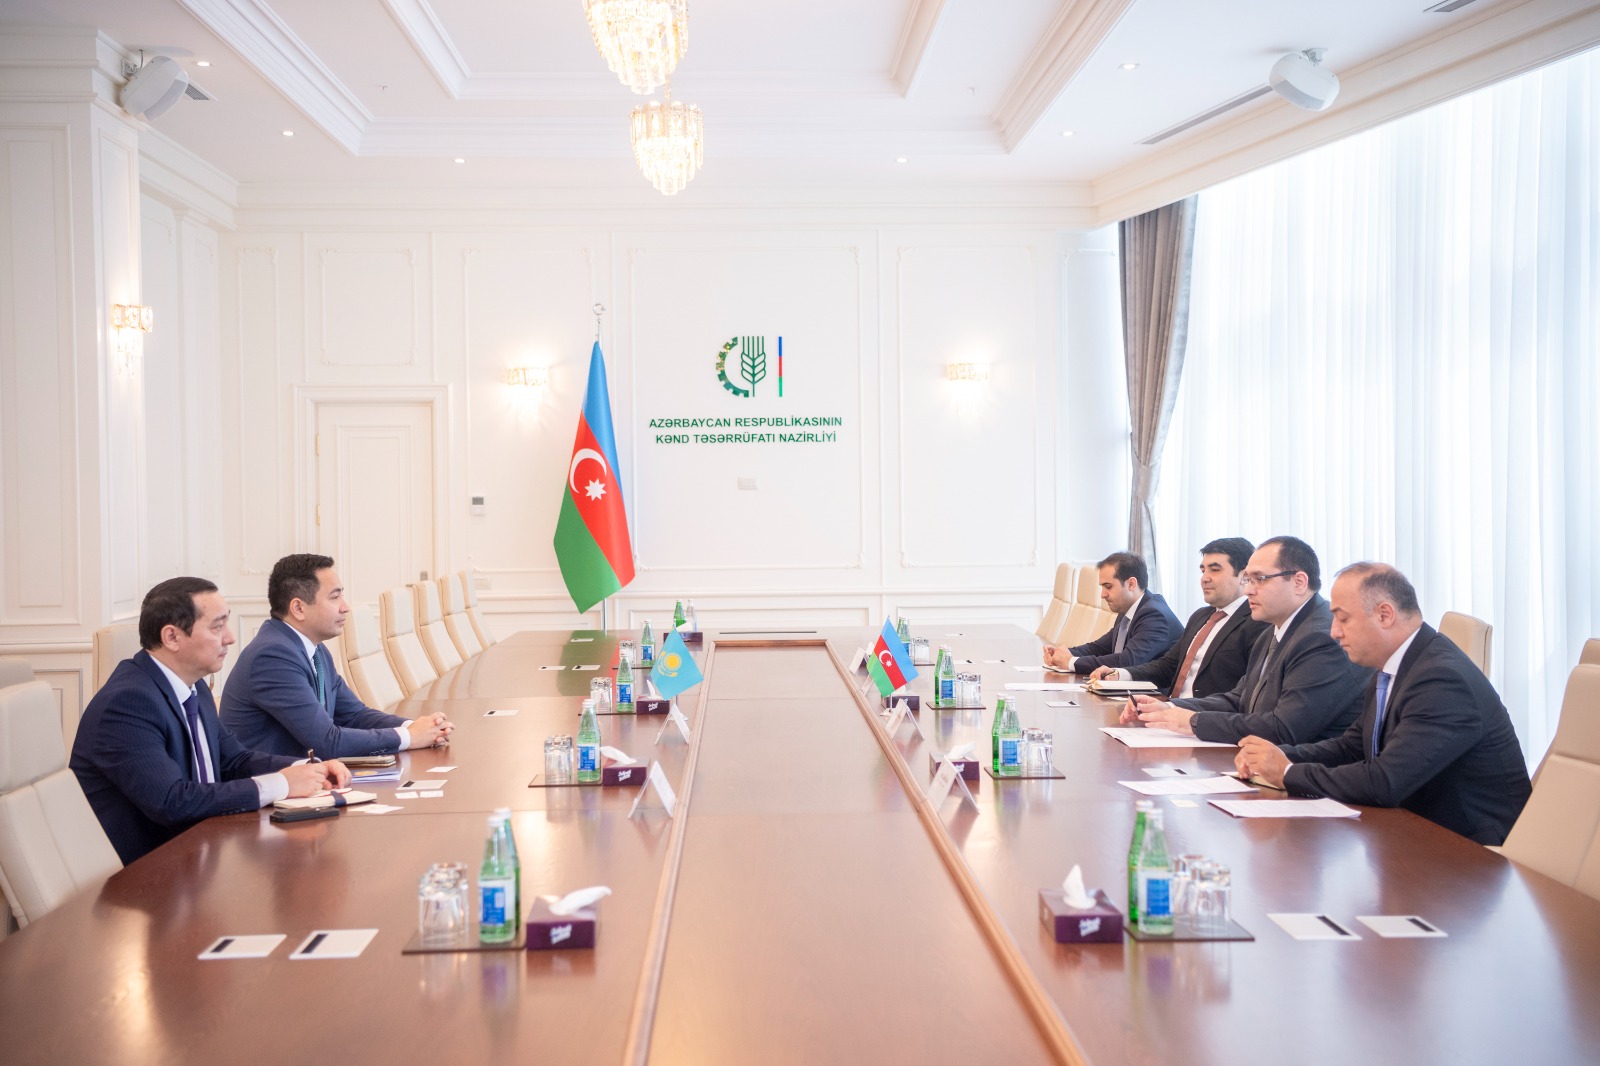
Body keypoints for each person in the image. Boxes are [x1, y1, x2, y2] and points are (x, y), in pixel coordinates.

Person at [1235, 563, 1531, 845]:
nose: (1334, 631)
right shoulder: (1396, 666)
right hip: (1412, 831)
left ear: (1385, 615)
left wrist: (1287, 774)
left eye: (1343, 618)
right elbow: (1351, 747)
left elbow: (1385, 782)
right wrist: (1276, 757)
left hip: (1467, 850)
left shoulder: (1442, 680)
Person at [71, 577, 350, 864]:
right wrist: (281, 784)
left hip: (198, 855)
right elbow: (172, 801)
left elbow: (234, 761)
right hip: (146, 874)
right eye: (217, 627)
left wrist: (306, 768)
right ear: (172, 637)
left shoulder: (194, 686)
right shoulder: (127, 703)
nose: (230, 637)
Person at [1122, 535, 1369, 744]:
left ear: (1299, 582)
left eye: (1260, 579)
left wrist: (1194, 721)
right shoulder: (1273, 630)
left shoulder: (1320, 638)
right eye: (1248, 580)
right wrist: (1170, 709)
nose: (1249, 589)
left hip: (1306, 771)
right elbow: (1240, 698)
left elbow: (1284, 728)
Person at [221, 553, 452, 759]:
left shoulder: (314, 649)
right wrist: (409, 737)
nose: (345, 607)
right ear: (298, 608)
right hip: (274, 788)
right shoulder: (272, 657)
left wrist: (417, 727)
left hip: (307, 779)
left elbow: (354, 716)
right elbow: (327, 742)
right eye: (334, 597)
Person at [1089, 537, 1269, 698]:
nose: (1204, 579)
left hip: (1201, 716)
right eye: (1203, 571)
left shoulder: (1258, 623)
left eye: (1214, 570)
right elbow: (1167, 666)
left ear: (1244, 576)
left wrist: (1176, 709)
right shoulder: (1200, 616)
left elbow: (1242, 694)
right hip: (1169, 708)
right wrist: (1120, 674)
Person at [1043, 552, 1181, 673]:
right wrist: (1062, 654)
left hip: (1152, 692)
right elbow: (1099, 647)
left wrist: (1071, 662)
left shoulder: (1154, 616)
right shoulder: (1128, 609)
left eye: (1108, 586)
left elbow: (1127, 661)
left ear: (1131, 584)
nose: (1102, 594)